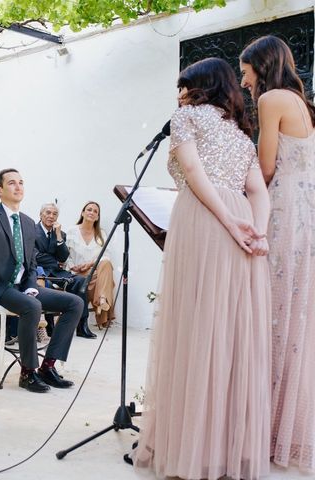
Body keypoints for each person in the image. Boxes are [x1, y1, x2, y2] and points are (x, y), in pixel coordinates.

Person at [131, 58, 271, 480]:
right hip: (242, 223)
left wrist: (230, 225)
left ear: (199, 86)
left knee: (195, 330)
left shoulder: (186, 117)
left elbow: (192, 173)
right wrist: (258, 233)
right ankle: (224, 448)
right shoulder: (240, 133)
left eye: (184, 85)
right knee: (229, 335)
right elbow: (258, 191)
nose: (180, 93)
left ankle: (191, 448)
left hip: (205, 220)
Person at [241, 35, 315, 470]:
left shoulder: (272, 99)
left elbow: (265, 166)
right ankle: (283, 426)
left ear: (262, 66)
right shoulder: (303, 105)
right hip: (307, 214)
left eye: (245, 68)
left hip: (284, 211)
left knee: (271, 313)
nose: (242, 77)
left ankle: (263, 426)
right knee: (295, 318)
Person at [0, 168, 84, 393]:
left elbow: (31, 263)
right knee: (32, 307)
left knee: (75, 303)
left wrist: (32, 286)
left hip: (22, 285)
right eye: (12, 183)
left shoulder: (27, 222)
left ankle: (48, 366)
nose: (18, 187)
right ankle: (28, 372)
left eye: (21, 182)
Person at [35, 202, 97, 338]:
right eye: (48, 213)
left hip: (58, 272)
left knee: (80, 281)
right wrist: (54, 260)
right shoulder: (31, 231)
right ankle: (50, 325)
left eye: (55, 214)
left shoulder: (60, 234)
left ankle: (82, 325)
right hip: (39, 272)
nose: (51, 216)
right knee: (48, 286)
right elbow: (35, 256)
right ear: (41, 215)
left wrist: (58, 237)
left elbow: (63, 257)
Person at [64, 201, 116, 329]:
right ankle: (102, 302)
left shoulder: (101, 233)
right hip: (76, 273)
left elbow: (106, 255)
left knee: (106, 263)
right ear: (83, 212)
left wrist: (90, 264)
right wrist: (73, 267)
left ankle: (103, 298)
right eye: (89, 209)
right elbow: (66, 255)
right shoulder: (72, 230)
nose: (92, 212)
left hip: (94, 272)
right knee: (107, 281)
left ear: (98, 217)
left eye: (95, 211)